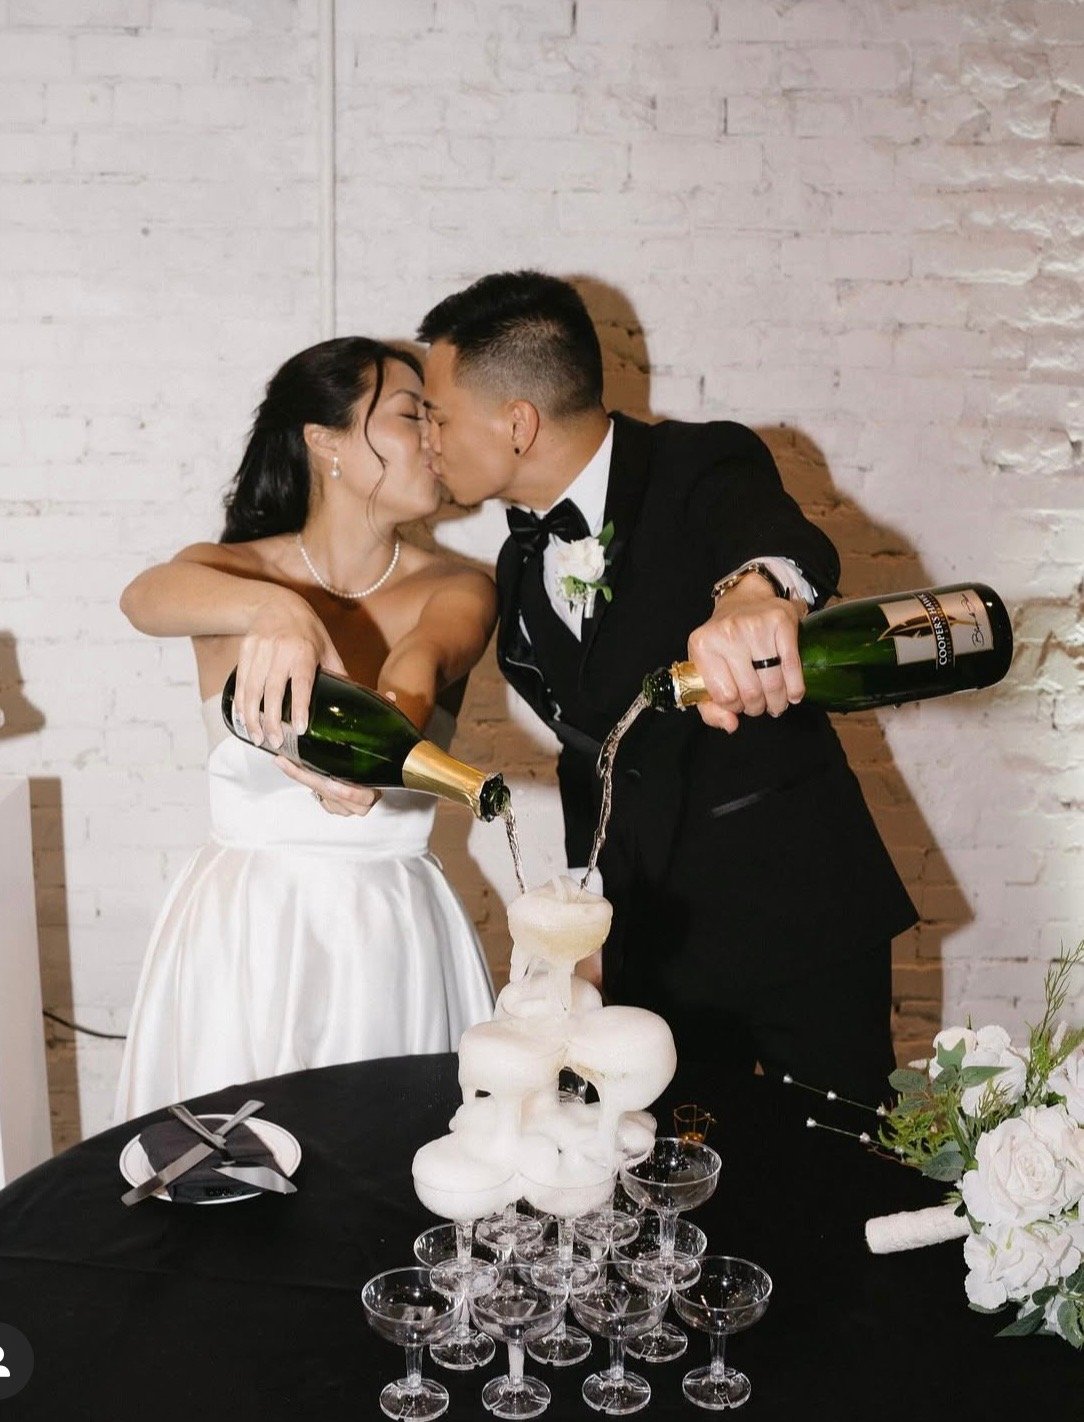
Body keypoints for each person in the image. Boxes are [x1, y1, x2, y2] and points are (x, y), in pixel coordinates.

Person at [417, 271, 917, 1105]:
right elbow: (598, 756)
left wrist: (756, 595)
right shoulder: (517, 562)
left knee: (843, 1171)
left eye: (436, 412)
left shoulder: (697, 462)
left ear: (517, 422)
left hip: (796, 920)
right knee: (671, 1188)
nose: (428, 435)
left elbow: (768, 535)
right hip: (647, 950)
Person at [113, 337, 497, 1121]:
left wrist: (374, 752)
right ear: (323, 441)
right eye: (408, 413)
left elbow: (418, 669)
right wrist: (276, 611)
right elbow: (142, 598)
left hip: (389, 930)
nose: (433, 435)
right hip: (241, 931)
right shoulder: (229, 573)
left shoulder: (458, 585)